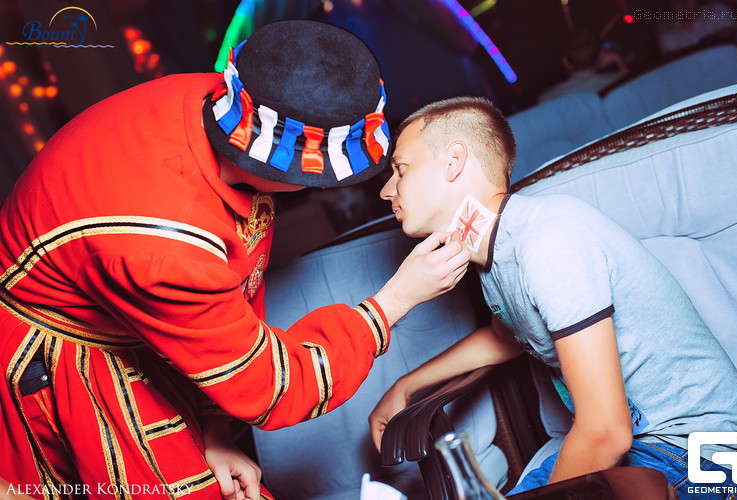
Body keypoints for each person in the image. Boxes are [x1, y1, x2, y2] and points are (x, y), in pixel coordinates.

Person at [0, 21, 471, 500]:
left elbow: (237, 286)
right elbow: (272, 386)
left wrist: (215, 426)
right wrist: (394, 301)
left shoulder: (227, 101)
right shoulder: (165, 248)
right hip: (71, 356)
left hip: (148, 318)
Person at [369, 96, 737, 497]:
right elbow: (506, 338)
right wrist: (406, 386)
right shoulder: (497, 251)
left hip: (700, 456)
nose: (387, 190)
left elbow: (606, 432)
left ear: (453, 162)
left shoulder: (549, 239)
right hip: (646, 450)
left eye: (400, 169)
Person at [539, 30, 627, 102]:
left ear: (566, 63)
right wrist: (618, 60)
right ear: (600, 57)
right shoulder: (618, 82)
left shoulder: (547, 99)